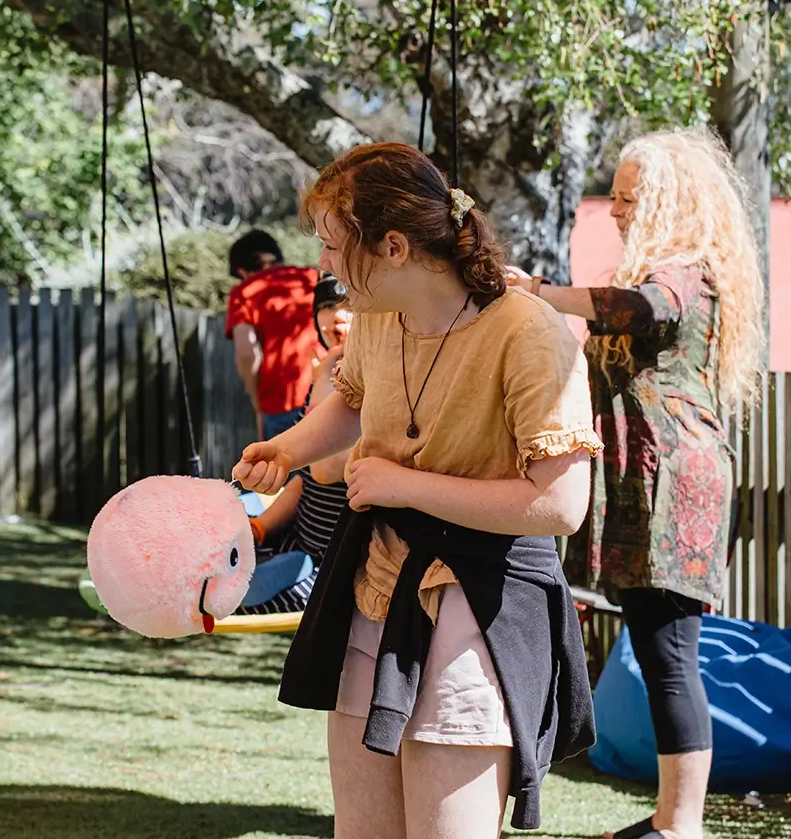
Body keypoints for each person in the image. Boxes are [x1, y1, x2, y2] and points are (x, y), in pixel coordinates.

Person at [232, 142, 602, 838]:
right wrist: (287, 449)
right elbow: (349, 399)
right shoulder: (375, 317)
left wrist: (404, 484)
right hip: (375, 589)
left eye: (337, 247)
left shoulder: (529, 333)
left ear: (394, 246)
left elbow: (560, 505)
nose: (327, 267)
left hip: (478, 602)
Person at [505, 126, 767, 839]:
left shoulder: (688, 270)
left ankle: (681, 827)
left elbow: (641, 308)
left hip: (677, 482)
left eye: (628, 198)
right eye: (614, 196)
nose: (615, 209)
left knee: (670, 654)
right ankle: (669, 819)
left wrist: (542, 290)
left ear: (667, 201)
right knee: (657, 649)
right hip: (643, 480)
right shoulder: (661, 269)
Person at [237, 274, 353, 615]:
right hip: (299, 542)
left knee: (244, 593)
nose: (336, 317)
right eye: (327, 307)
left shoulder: (367, 380)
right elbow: (305, 480)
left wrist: (324, 377)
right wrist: (261, 528)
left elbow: (326, 469)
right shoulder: (324, 376)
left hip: (336, 564)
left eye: (347, 307)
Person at [224, 229, 322, 440]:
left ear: (242, 271)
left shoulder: (244, 292)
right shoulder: (313, 279)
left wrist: (257, 401)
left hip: (281, 402)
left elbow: (246, 351)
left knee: (282, 471)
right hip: (328, 393)